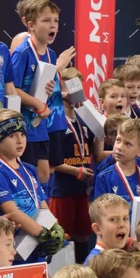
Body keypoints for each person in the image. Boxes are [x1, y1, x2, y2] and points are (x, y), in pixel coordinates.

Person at [0, 109, 64, 263]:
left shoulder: (29, 169)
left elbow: (42, 205)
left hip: (36, 243)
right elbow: (12, 213)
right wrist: (43, 234)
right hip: (13, 248)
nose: (20, 141)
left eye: (22, 134)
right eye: (12, 136)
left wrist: (55, 228)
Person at [5, 0, 71, 185]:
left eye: (55, 21)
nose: (53, 25)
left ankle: (44, 204)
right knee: (29, 174)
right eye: (46, 20)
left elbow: (45, 89)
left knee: (45, 174)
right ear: (31, 25)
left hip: (42, 124)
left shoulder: (51, 54)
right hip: (25, 125)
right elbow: (12, 88)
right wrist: (36, 103)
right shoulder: (23, 53)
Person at [48, 68, 95, 262]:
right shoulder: (55, 119)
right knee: (63, 236)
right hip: (62, 189)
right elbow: (51, 162)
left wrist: (99, 125)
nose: (75, 92)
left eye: (78, 87)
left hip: (82, 189)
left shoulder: (84, 118)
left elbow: (96, 151)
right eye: (70, 87)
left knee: (82, 235)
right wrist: (76, 171)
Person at [91, 120, 140, 235]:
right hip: (115, 236)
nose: (119, 147)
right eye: (118, 140)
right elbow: (99, 213)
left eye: (128, 144)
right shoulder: (104, 177)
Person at [85, 194, 134, 265]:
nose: (122, 225)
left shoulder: (123, 255)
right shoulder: (95, 264)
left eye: (125, 219)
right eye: (113, 219)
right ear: (97, 229)